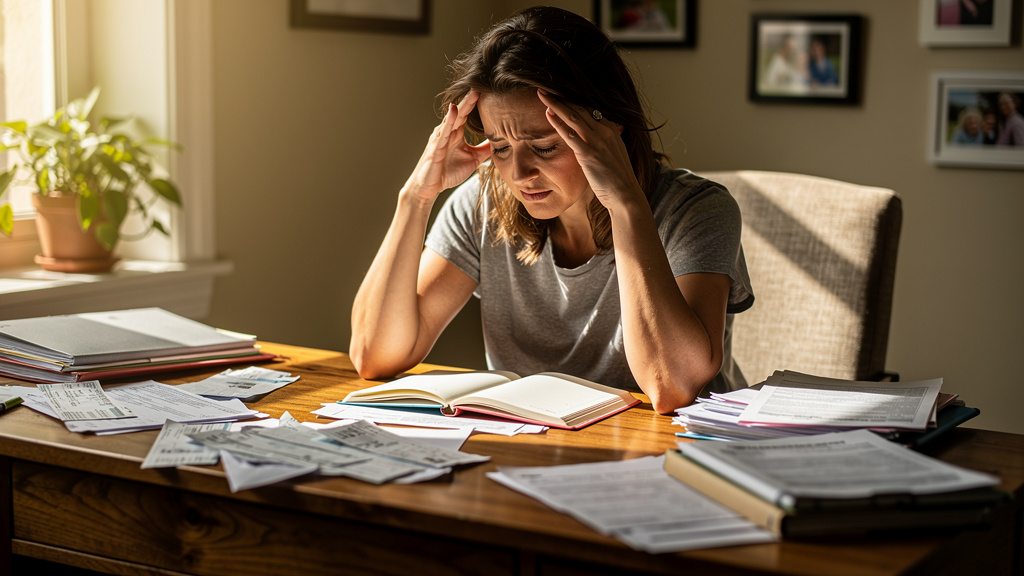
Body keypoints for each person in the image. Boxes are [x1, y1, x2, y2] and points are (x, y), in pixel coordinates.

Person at [349, 6, 753, 414]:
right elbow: (374, 354)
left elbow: (673, 386)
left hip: (672, 453)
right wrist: (416, 197)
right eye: (501, 148)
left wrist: (626, 205)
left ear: (609, 128)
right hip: (532, 447)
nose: (519, 173)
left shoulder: (697, 210)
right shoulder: (484, 202)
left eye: (544, 146)